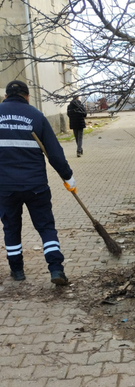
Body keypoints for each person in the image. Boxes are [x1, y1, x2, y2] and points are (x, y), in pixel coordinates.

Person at [0, 80, 75, 285]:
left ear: (6, 96)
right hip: (35, 186)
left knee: (11, 227)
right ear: (27, 96)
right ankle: (56, 269)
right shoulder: (36, 116)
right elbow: (55, 154)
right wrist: (68, 177)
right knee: (46, 227)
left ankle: (17, 270)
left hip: (5, 187)